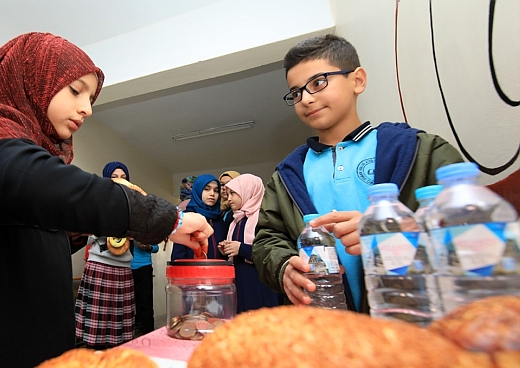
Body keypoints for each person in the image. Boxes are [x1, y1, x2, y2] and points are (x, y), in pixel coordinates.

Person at [0, 33, 212, 368]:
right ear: (33, 76)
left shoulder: (27, 149)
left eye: (91, 99)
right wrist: (169, 219)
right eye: (75, 90)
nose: (87, 108)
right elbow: (51, 188)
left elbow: (34, 232)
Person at [252, 34, 463, 313]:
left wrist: (389, 232)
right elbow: (268, 239)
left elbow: (470, 231)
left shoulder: (419, 150)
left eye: (318, 83)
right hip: (329, 327)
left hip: (414, 320)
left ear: (357, 80)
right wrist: (284, 267)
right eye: (296, 92)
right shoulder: (287, 175)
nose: (306, 98)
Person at [74, 161, 136, 349]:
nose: (119, 181)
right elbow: (84, 230)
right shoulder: (95, 202)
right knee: (96, 320)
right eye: (114, 177)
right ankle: (95, 354)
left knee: (120, 321)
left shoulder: (134, 205)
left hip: (124, 268)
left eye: (124, 178)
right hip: (99, 265)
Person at [219, 174, 280, 314]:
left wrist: (241, 248)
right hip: (240, 282)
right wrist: (227, 249)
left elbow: (271, 253)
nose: (228, 198)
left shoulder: (265, 218)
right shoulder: (236, 221)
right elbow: (237, 249)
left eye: (233, 193)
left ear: (248, 191)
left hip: (259, 283)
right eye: (227, 194)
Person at [171, 174, 228, 260]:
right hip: (192, 271)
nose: (212, 194)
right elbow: (178, 254)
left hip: (217, 271)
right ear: (198, 190)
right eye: (206, 189)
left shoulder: (220, 219)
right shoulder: (188, 217)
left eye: (216, 190)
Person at [130, 241, 159, 336]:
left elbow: (156, 247)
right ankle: (127, 334)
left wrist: (148, 246)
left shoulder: (147, 228)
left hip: (144, 267)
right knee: (126, 303)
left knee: (145, 302)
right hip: (125, 267)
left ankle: (149, 333)